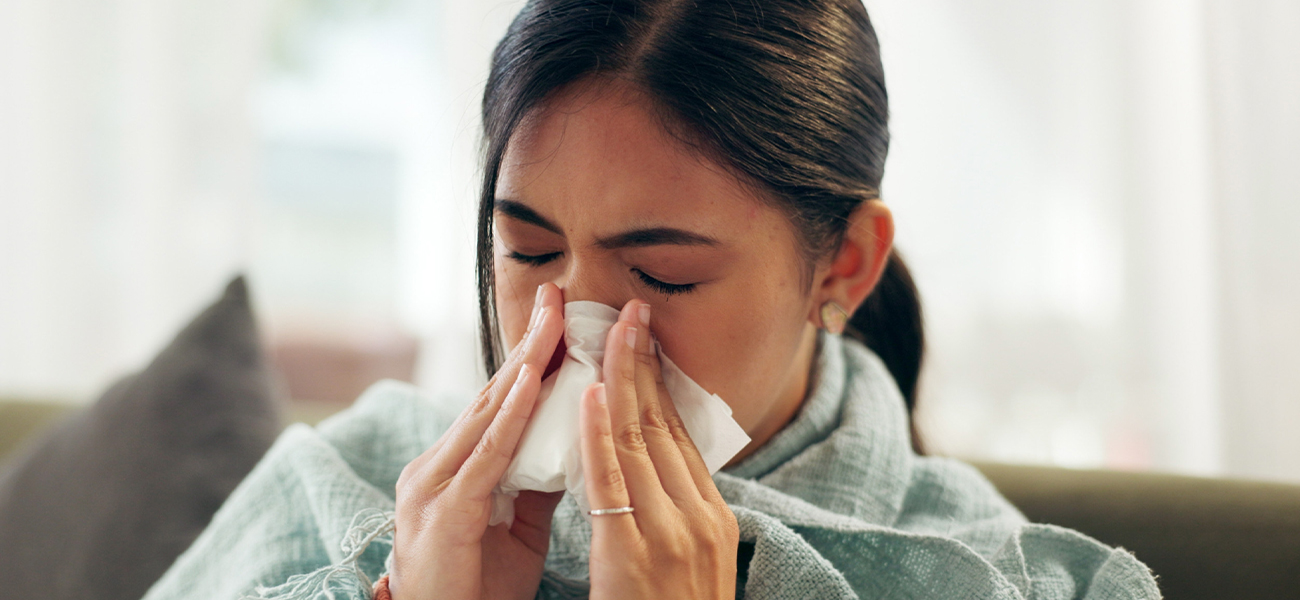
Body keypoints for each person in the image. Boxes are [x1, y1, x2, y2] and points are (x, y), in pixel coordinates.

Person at [143, 1, 1161, 599]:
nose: (567, 329)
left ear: (843, 267)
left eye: (664, 273)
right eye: (525, 248)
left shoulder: (1016, 581)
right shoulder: (351, 481)